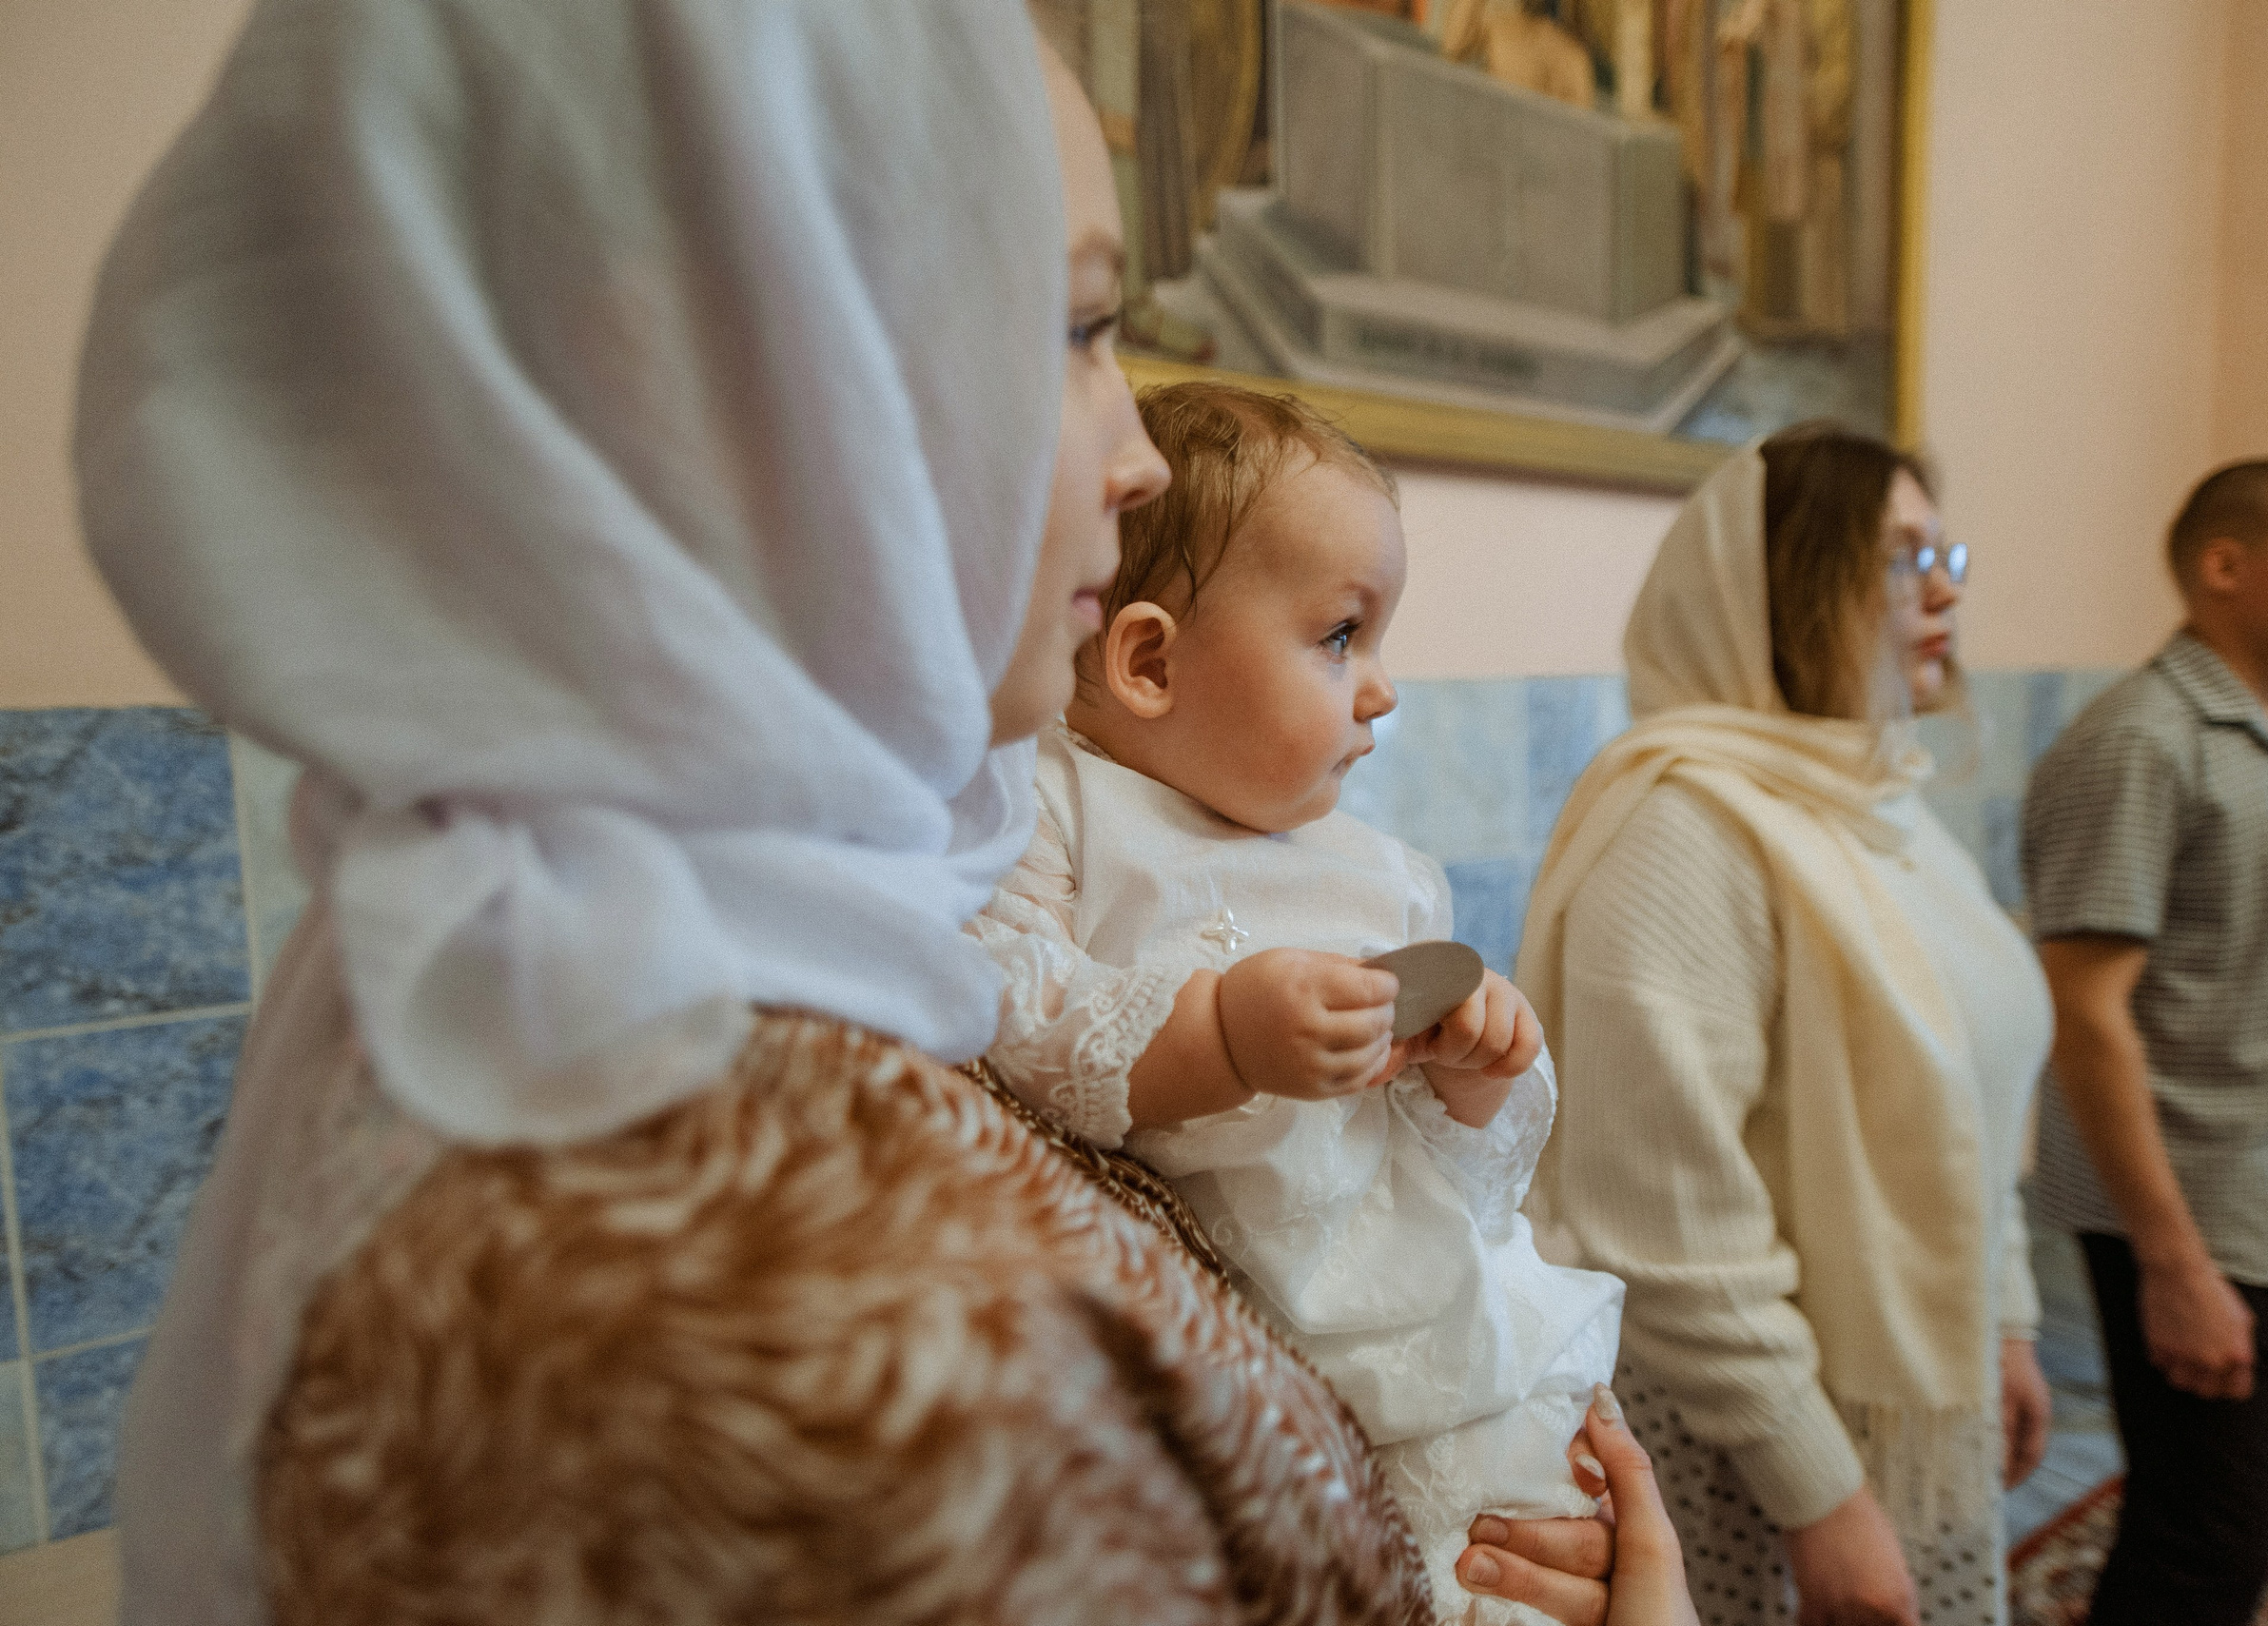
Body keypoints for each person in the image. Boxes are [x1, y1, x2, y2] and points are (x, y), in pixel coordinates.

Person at [76, 2, 1696, 1620]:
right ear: (748, 386)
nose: (1133, 455)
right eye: (1075, 332)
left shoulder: (691, 968)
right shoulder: (823, 1357)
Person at [968, 380, 1625, 1625]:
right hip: (1286, 1374)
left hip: (1455, 1329)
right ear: (1149, 659)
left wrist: (1482, 1070)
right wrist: (1219, 1034)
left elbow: (1457, 1174)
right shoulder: (1057, 804)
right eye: (1341, 637)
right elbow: (1017, 1006)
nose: (1380, 690)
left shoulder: (1381, 876)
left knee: (1536, 1556)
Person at [1517, 423, 2056, 1626]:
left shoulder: (1878, 804)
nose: (1946, 587)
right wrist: (1821, 1495)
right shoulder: (1685, 829)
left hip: (1898, 1401)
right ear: (1779, 586)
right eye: (1900, 556)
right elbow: (1661, 1221)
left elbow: (1971, 1100)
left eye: (1944, 550)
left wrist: (2005, 1321)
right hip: (1749, 1440)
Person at [2023, 458, 2268, 1626]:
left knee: (2209, 1523)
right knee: (2202, 1545)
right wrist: (2173, 1262)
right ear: (2224, 566)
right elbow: (2085, 1012)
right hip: (2194, 1209)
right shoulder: (2140, 741)